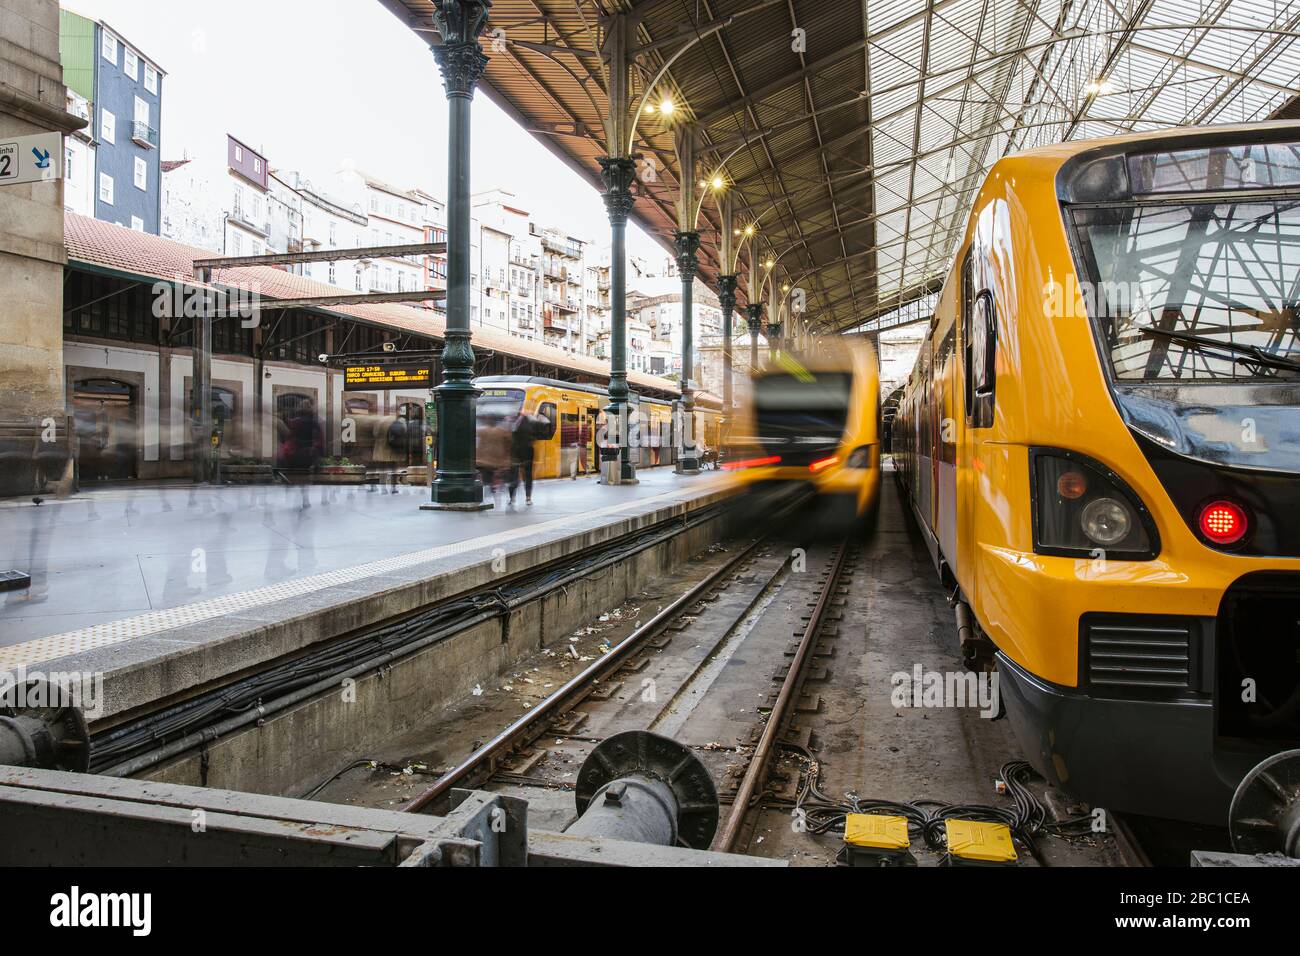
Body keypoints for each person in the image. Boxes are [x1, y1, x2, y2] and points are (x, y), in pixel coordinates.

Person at [476, 414, 511, 506]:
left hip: (482, 462)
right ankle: (497, 500)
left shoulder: (481, 431)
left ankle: (483, 499)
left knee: (483, 481)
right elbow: (509, 444)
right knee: (495, 481)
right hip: (496, 463)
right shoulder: (502, 432)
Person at [508, 410, 539, 507]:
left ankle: (512, 498)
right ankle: (528, 498)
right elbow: (536, 436)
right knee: (528, 476)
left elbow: (510, 438)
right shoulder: (530, 423)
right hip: (528, 452)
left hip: (515, 453)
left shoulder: (513, 424)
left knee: (513, 475)